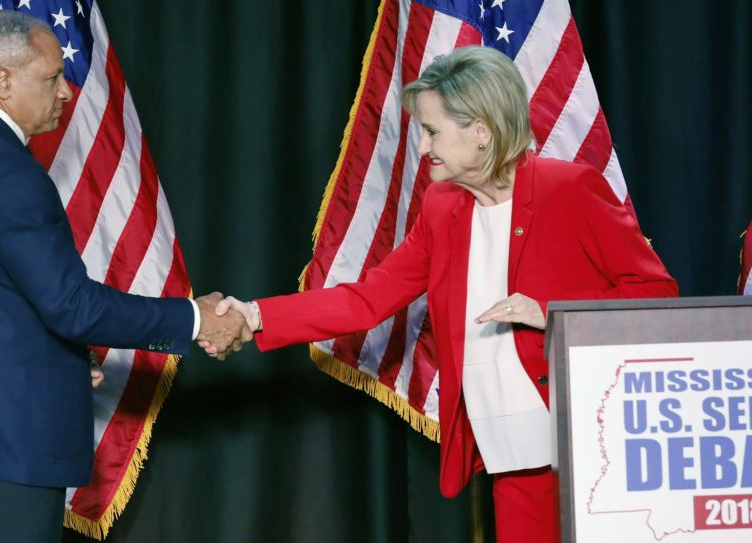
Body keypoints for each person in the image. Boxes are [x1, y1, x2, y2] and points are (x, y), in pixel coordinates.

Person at [207, 46, 678, 542]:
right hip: (508, 445)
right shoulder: (441, 207)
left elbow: (656, 292)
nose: (424, 145)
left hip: (585, 440)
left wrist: (554, 314)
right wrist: (256, 315)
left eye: (432, 130)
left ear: (481, 131)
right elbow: (367, 298)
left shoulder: (570, 188)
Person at [0, 11, 249, 542]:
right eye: (53, 77)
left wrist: (43, 362)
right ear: (2, 81)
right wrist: (194, 318)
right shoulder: (7, 168)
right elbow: (72, 306)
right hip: (6, 449)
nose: (66, 91)